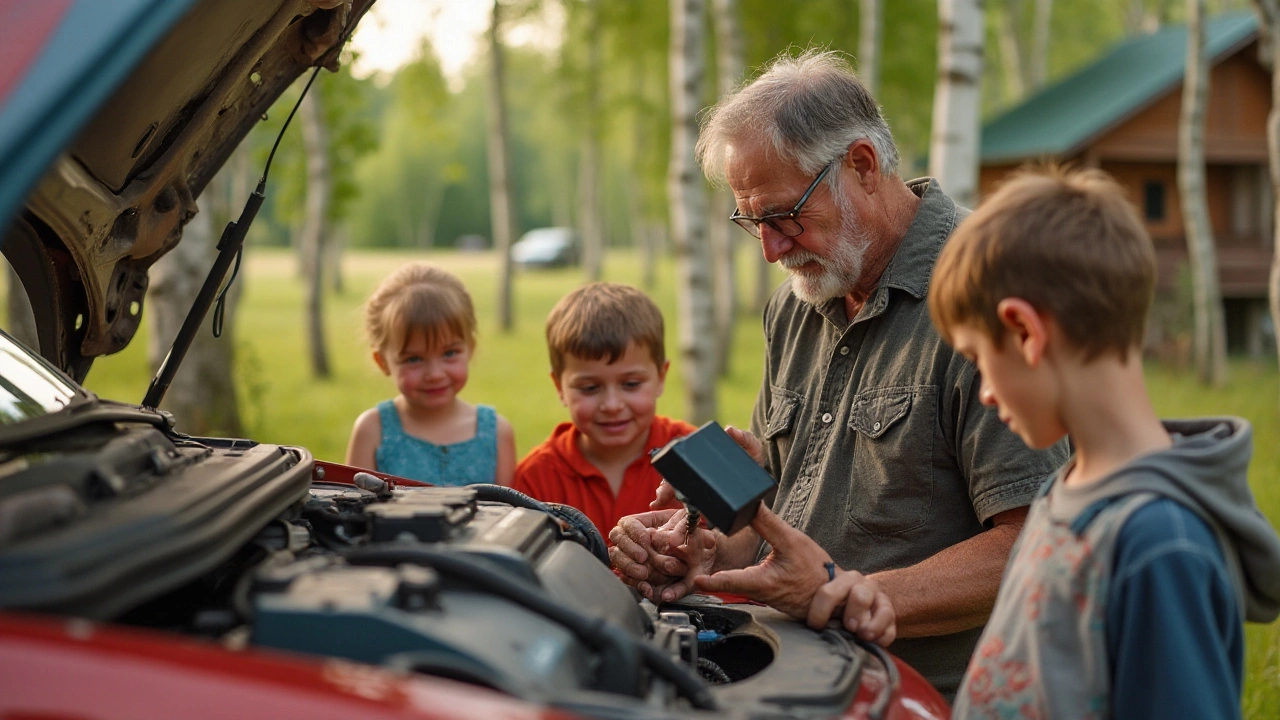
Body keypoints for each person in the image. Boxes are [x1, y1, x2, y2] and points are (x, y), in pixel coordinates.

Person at [608, 49, 1069, 698]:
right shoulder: (798, 301)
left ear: (861, 164)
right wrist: (709, 549)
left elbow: (1036, 545)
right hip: (786, 670)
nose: (770, 249)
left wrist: (847, 595)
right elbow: (786, 519)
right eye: (751, 222)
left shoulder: (989, 293)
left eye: (783, 215)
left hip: (923, 695)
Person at [929, 167, 1280, 719]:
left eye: (979, 360)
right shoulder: (1064, 489)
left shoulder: (1161, 544)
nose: (987, 394)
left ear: (1025, 332)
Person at [513, 282, 696, 537]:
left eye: (631, 384)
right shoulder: (536, 478)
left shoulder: (694, 455)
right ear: (559, 386)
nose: (612, 405)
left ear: (661, 377)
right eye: (589, 388)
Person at [346, 262, 516, 486]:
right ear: (383, 362)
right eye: (413, 359)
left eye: (449, 353)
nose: (435, 374)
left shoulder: (496, 433)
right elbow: (350, 511)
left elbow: (510, 516)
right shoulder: (372, 431)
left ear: (470, 349)